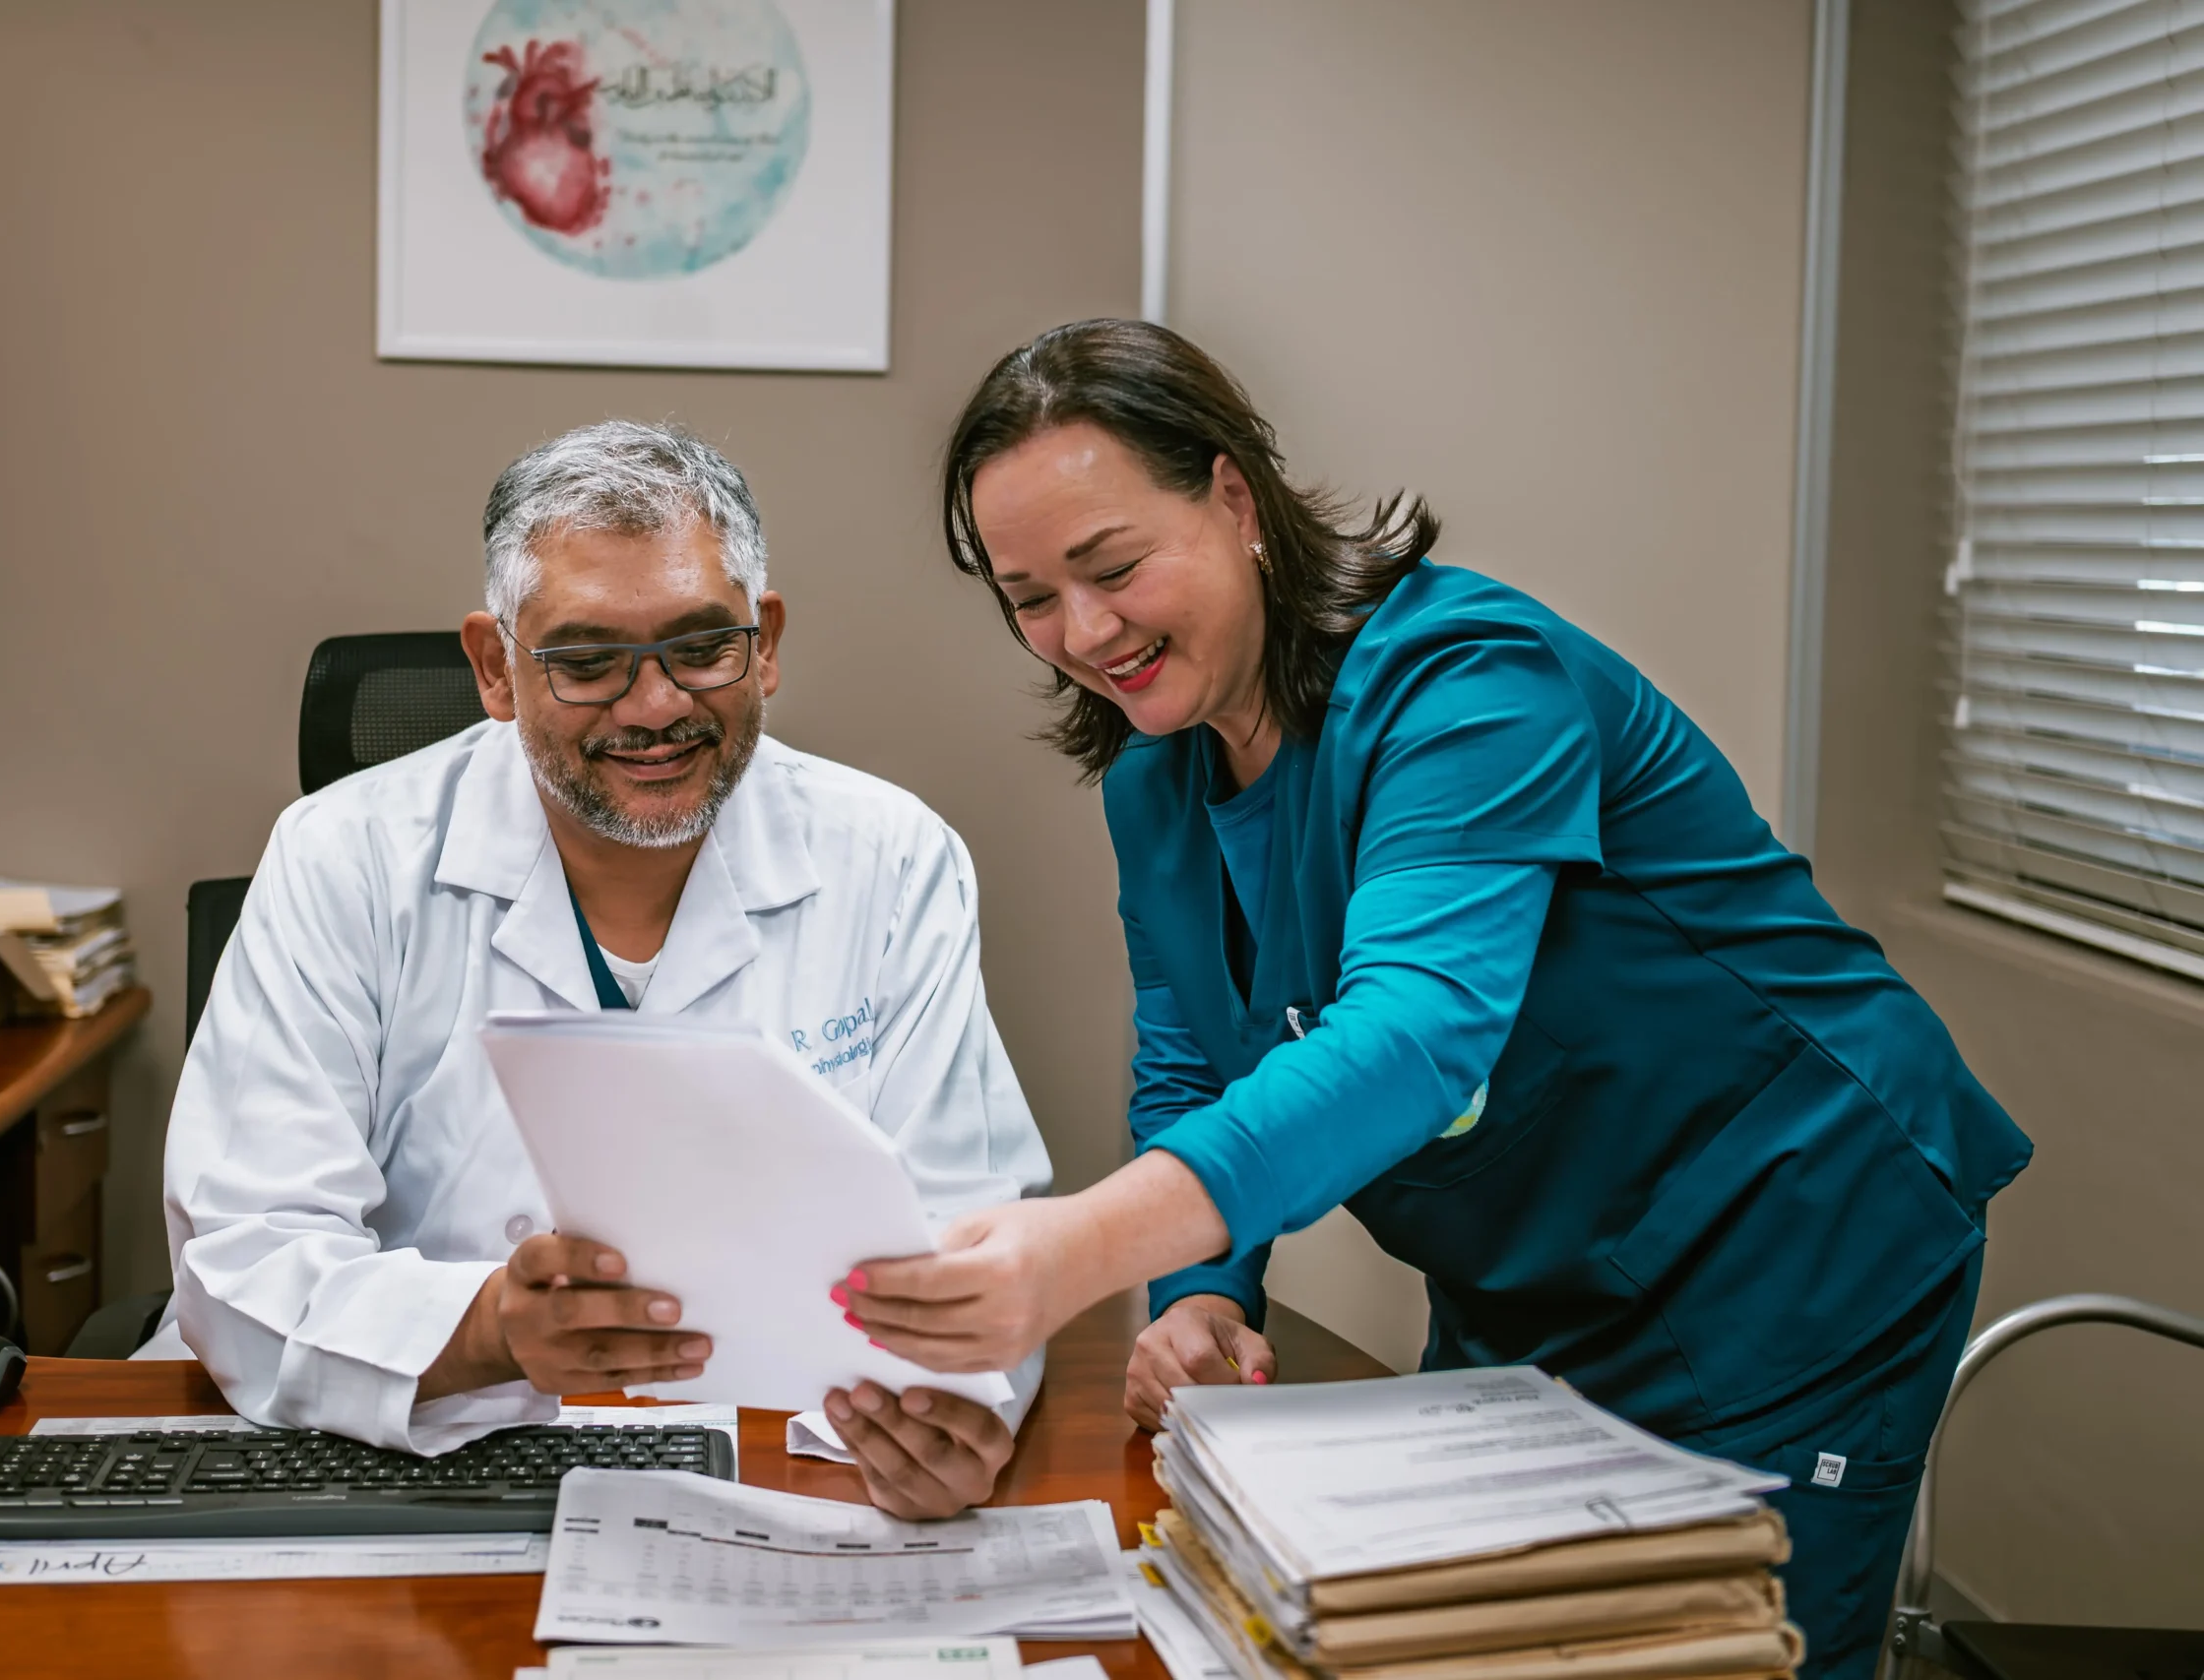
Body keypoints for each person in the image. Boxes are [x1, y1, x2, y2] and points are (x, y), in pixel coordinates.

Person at [833, 320, 2033, 1675]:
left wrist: (1074, 1250)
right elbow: (1192, 1060)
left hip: (1791, 1228)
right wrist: (1203, 1293)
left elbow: (1417, 1035)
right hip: (1535, 1268)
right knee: (1462, 1640)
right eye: (1031, 598)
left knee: (1718, 1646)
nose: (1085, 632)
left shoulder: (1465, 679)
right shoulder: (1155, 779)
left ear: (1235, 499)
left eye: (1112, 567)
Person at [149, 420, 1050, 1520]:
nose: (655, 704)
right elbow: (245, 1253)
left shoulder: (892, 859)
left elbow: (968, 1230)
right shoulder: (346, 854)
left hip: (788, 1462)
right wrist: (490, 1329)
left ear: (764, 643)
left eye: (701, 646)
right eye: (585, 661)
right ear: (495, 668)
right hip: (404, 1466)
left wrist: (943, 1417)